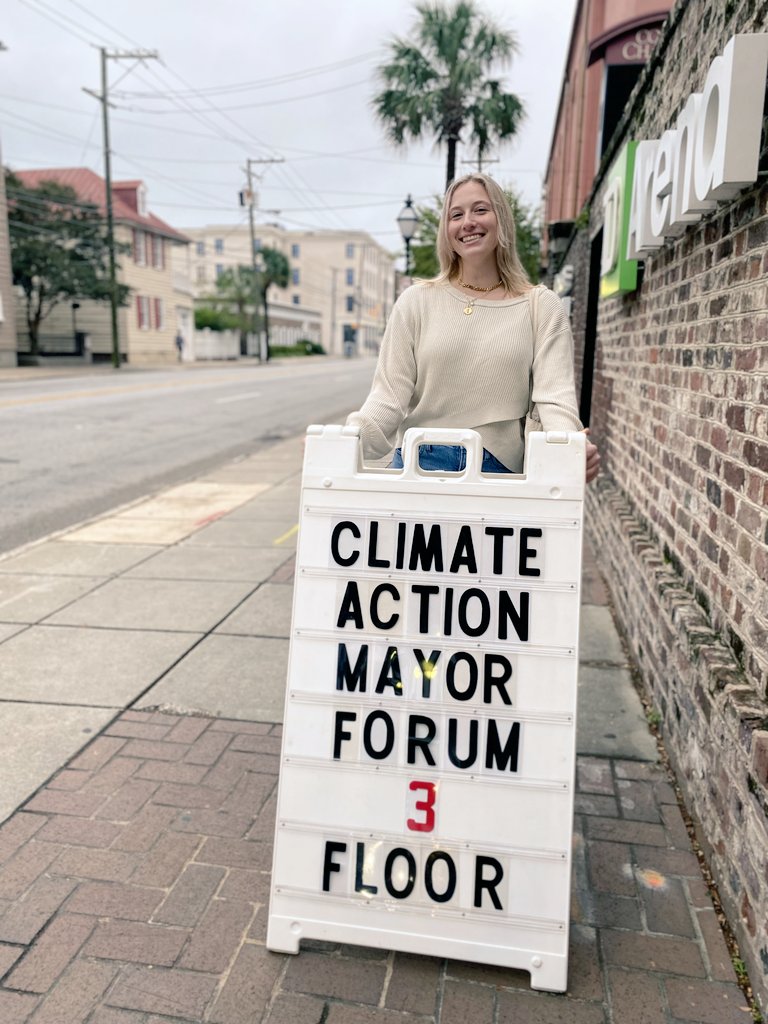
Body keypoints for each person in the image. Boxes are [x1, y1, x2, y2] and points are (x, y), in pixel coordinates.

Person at [346, 173, 600, 483]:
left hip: (496, 472)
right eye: (456, 214)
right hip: (417, 466)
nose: (468, 222)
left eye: (480, 210)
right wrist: (345, 440)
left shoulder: (541, 306)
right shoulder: (415, 302)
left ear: (501, 219)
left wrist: (569, 450)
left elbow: (555, 400)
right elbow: (388, 398)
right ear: (446, 230)